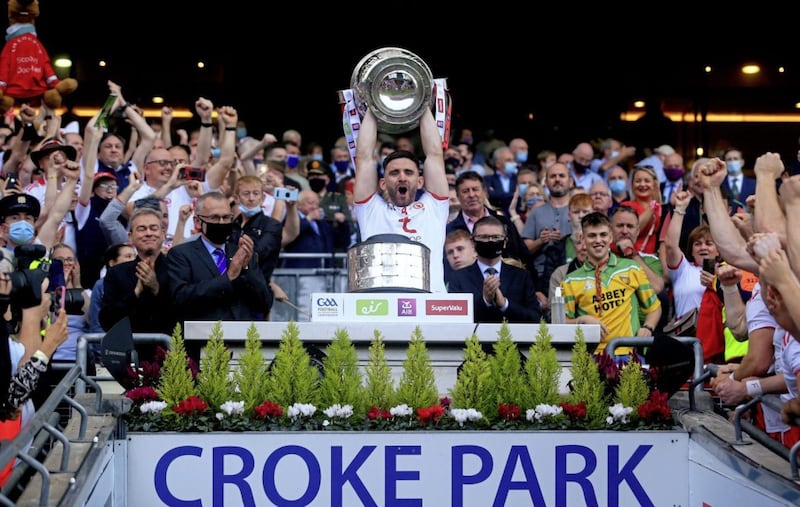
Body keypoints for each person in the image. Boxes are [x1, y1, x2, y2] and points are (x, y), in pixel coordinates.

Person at [353, 107, 449, 293]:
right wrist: (374, 106)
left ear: (420, 181)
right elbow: (364, 158)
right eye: (394, 173)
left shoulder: (434, 208)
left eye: (409, 172)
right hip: (381, 301)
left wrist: (422, 104)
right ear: (382, 183)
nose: (402, 177)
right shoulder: (370, 211)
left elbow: (435, 155)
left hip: (431, 301)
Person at [166, 191, 269, 362]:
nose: (221, 223)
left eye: (226, 217)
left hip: (242, 346)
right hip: (200, 345)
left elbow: (264, 302)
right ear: (198, 221)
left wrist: (247, 270)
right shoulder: (181, 254)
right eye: (214, 218)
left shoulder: (240, 252)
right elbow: (180, 296)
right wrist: (228, 277)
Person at [561, 212, 661, 358]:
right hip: (591, 357)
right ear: (582, 238)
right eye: (592, 235)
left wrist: (647, 327)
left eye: (603, 235)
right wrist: (581, 320)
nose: (598, 240)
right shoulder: (569, 281)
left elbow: (654, 307)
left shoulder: (632, 268)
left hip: (629, 354)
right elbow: (562, 323)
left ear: (611, 237)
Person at [447, 216, 540, 323]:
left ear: (505, 242)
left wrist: (504, 304)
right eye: (484, 237)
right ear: (473, 242)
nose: (490, 241)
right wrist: (485, 300)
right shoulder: (458, 278)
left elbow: (536, 317)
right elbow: (456, 318)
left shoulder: (522, 276)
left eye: (496, 237)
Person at [87, 243, 136, 334]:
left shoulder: (141, 281)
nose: (134, 260)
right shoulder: (100, 285)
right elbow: (96, 323)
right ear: (112, 263)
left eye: (135, 256)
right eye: (128, 256)